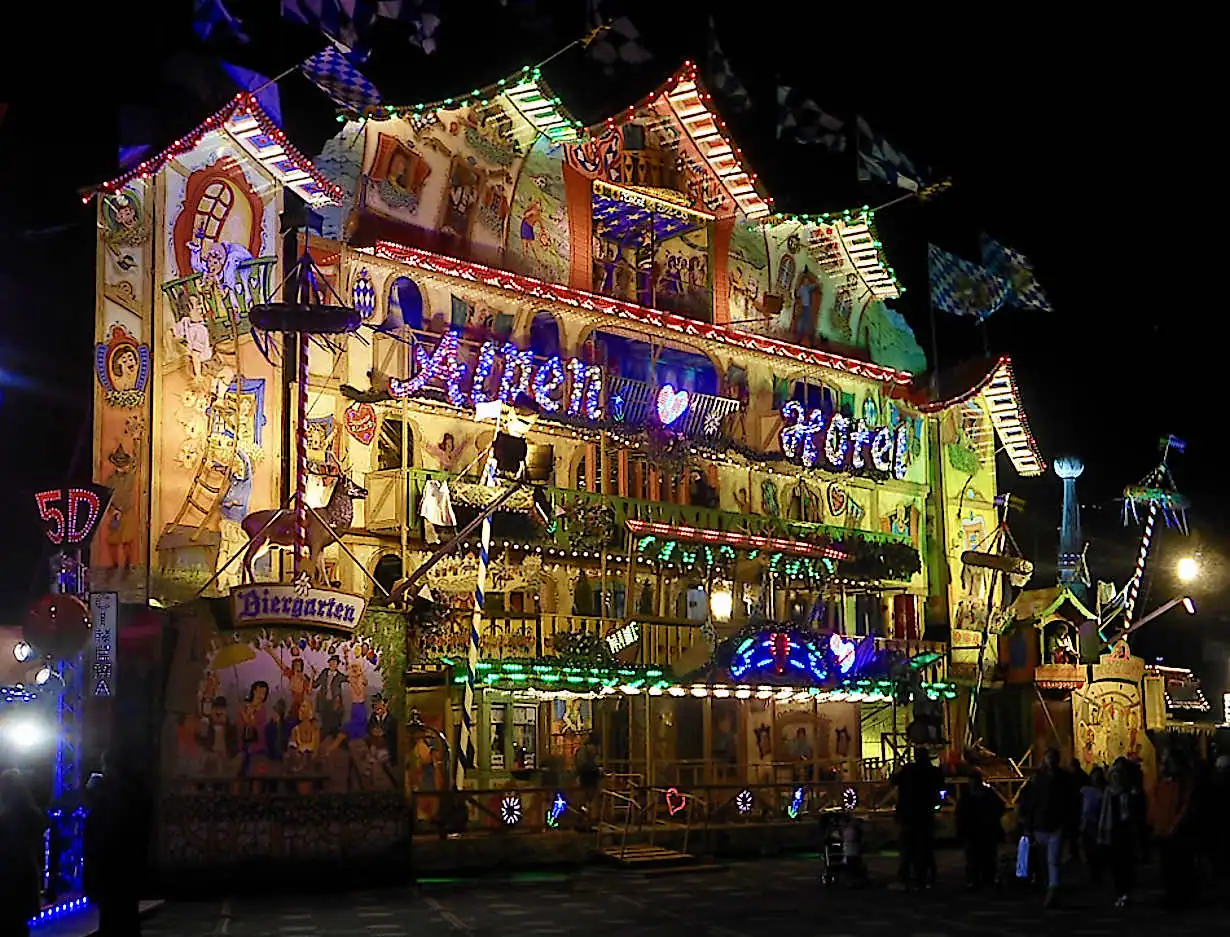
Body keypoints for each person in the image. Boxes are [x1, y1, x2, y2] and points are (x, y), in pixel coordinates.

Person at [84, 750, 153, 937]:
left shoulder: (117, 795)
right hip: (129, 870)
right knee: (126, 918)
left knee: (114, 919)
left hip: (113, 870)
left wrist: (95, 794)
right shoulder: (138, 791)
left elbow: (106, 831)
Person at [1017, 748, 1069, 907]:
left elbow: (1069, 801)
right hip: (1041, 824)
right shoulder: (1039, 779)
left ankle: (1053, 889)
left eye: (1053, 758)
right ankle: (1049, 886)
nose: (1051, 761)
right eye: (1049, 758)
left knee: (1052, 860)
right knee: (1044, 860)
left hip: (1055, 824)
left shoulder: (1062, 779)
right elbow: (1030, 801)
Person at [0, 770, 46, 937]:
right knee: (19, 927)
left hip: (7, 882)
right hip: (26, 877)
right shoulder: (33, 815)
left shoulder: (5, 820)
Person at [890, 748, 944, 889]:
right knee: (925, 846)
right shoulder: (931, 771)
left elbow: (893, 780)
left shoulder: (908, 770)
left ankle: (907, 876)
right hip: (925, 813)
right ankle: (925, 875)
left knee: (908, 846)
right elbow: (941, 784)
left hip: (909, 814)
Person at [1098, 761, 1145, 908]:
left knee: (1126, 863)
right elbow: (1104, 813)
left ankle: (1126, 892)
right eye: (1114, 776)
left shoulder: (1128, 793)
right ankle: (1119, 892)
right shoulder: (1108, 792)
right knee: (1115, 864)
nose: (1116, 779)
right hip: (1112, 830)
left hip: (1125, 831)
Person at [1150, 753, 1194, 910]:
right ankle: (1171, 894)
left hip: (1177, 831)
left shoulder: (1182, 784)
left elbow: (1184, 806)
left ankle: (1181, 896)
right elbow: (1155, 806)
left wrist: (1175, 824)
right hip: (1163, 830)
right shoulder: (1161, 784)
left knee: (1179, 865)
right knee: (1167, 866)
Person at [956, 769, 1005, 890]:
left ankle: (982, 880)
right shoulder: (972, 794)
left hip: (983, 830)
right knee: (976, 858)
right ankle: (978, 881)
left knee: (983, 857)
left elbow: (999, 807)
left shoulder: (977, 794)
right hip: (976, 830)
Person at [1080, 765, 1107, 883]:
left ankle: (1098, 873)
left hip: (1098, 823)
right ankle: (1093, 873)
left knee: (1097, 850)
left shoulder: (1103, 792)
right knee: (1089, 849)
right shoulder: (1086, 790)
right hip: (1087, 823)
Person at [575, 734, 602, 831]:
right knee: (584, 804)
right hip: (585, 782)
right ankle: (583, 824)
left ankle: (587, 824)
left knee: (588, 804)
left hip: (590, 782)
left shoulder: (590, 755)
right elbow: (583, 766)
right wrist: (596, 769)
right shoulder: (583, 754)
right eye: (595, 747)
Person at [1066, 758, 1089, 863]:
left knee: (1075, 831)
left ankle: (1075, 853)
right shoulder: (1083, 776)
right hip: (1078, 806)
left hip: (1075, 806)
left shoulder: (1074, 777)